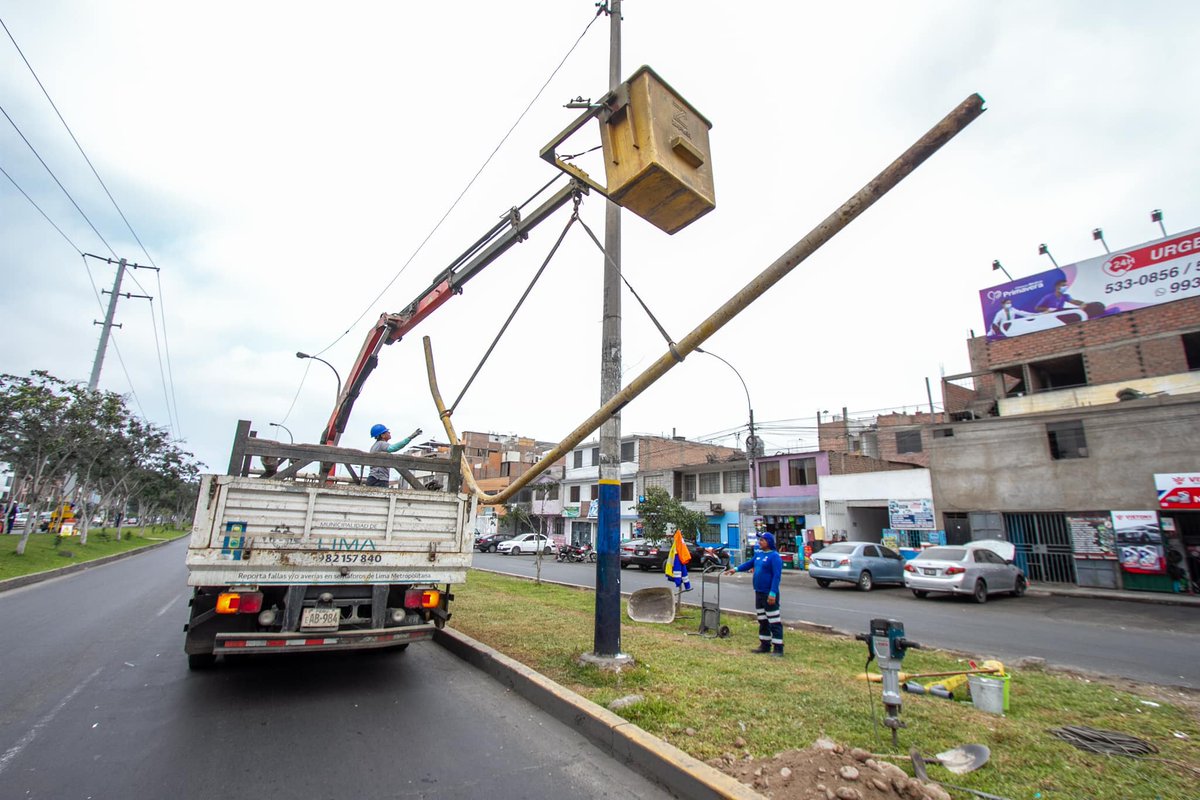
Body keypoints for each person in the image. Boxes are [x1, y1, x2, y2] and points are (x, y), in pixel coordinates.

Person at [726, 532, 784, 656]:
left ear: (768, 542)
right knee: (762, 620)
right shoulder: (759, 554)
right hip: (759, 592)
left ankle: (778, 648)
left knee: (774, 621)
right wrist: (735, 569)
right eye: (759, 540)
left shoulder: (774, 557)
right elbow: (749, 564)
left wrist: (773, 592)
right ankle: (765, 645)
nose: (759, 542)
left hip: (769, 593)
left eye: (762, 540)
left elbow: (776, 576)